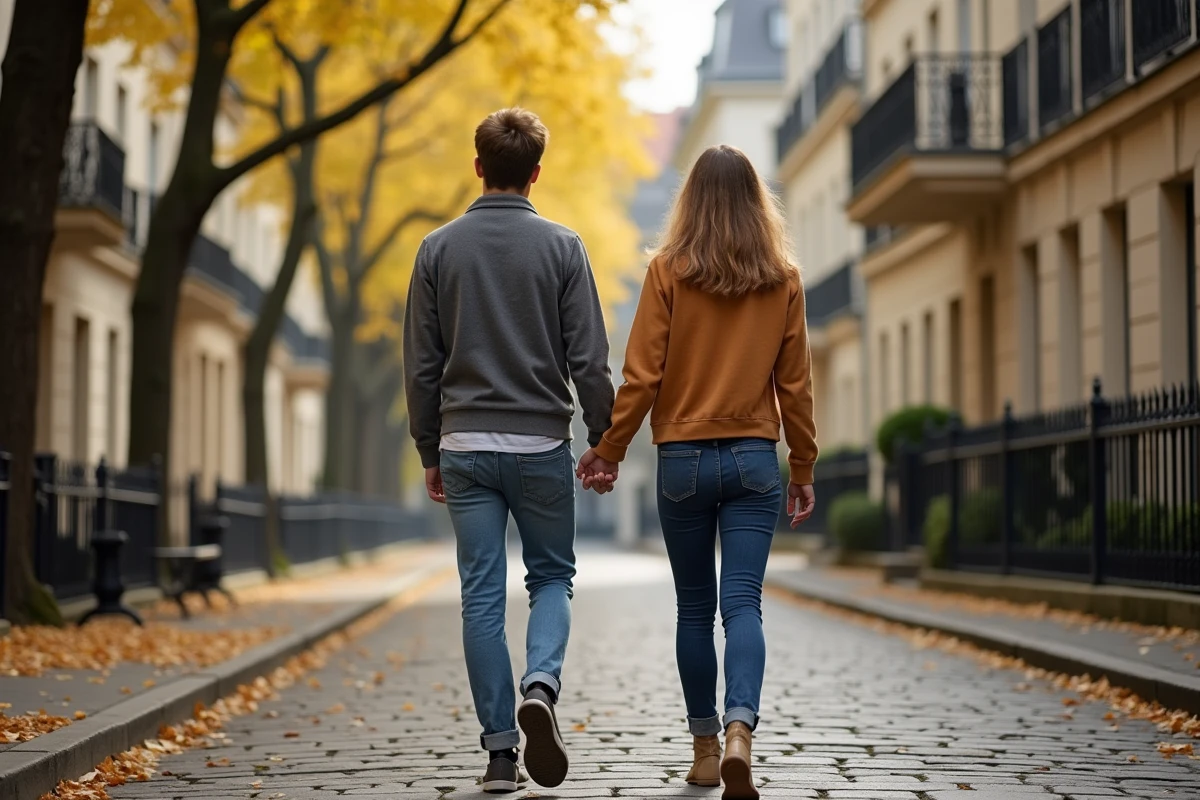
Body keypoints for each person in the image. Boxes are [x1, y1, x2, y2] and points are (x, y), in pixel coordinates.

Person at [577, 144, 818, 800]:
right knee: (743, 603)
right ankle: (743, 727)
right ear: (756, 200)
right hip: (753, 459)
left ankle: (707, 749)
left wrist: (609, 448)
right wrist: (802, 465)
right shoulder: (783, 277)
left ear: (690, 200)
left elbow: (642, 375)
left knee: (694, 606)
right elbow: (794, 386)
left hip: (682, 459)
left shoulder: (667, 271)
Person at [404, 107, 615, 794]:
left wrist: (428, 447)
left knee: (481, 599)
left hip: (465, 445)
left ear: (478, 167)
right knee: (552, 576)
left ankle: (500, 754)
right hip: (540, 445)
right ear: (536, 172)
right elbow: (588, 359)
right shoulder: (564, 247)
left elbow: (421, 364)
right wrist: (603, 438)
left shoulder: (436, 250)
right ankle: (542, 689)